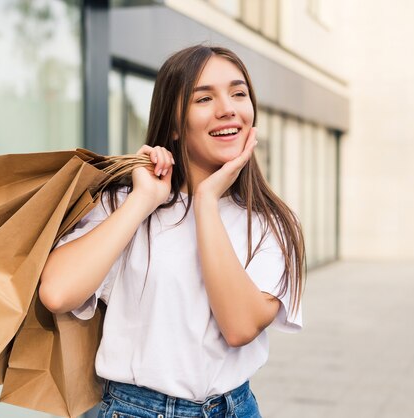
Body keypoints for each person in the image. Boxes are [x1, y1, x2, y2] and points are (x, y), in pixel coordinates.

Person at [39, 45, 305, 418]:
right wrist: (143, 199)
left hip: (234, 408)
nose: (227, 108)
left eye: (238, 93)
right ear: (175, 125)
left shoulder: (272, 222)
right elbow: (56, 292)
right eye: (204, 98)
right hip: (134, 410)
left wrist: (207, 200)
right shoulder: (127, 204)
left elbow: (240, 327)